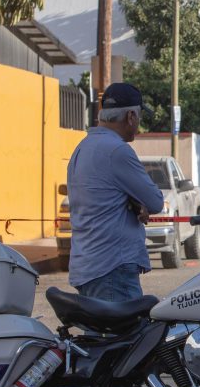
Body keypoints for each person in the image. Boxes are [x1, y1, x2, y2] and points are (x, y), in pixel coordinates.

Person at [66, 82, 164, 302]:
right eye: (139, 117)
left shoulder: (83, 147)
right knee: (128, 336)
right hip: (112, 269)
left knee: (99, 336)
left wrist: (132, 202)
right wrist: (140, 202)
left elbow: (100, 197)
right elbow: (156, 201)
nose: (138, 124)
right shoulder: (117, 151)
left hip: (89, 265)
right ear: (130, 116)